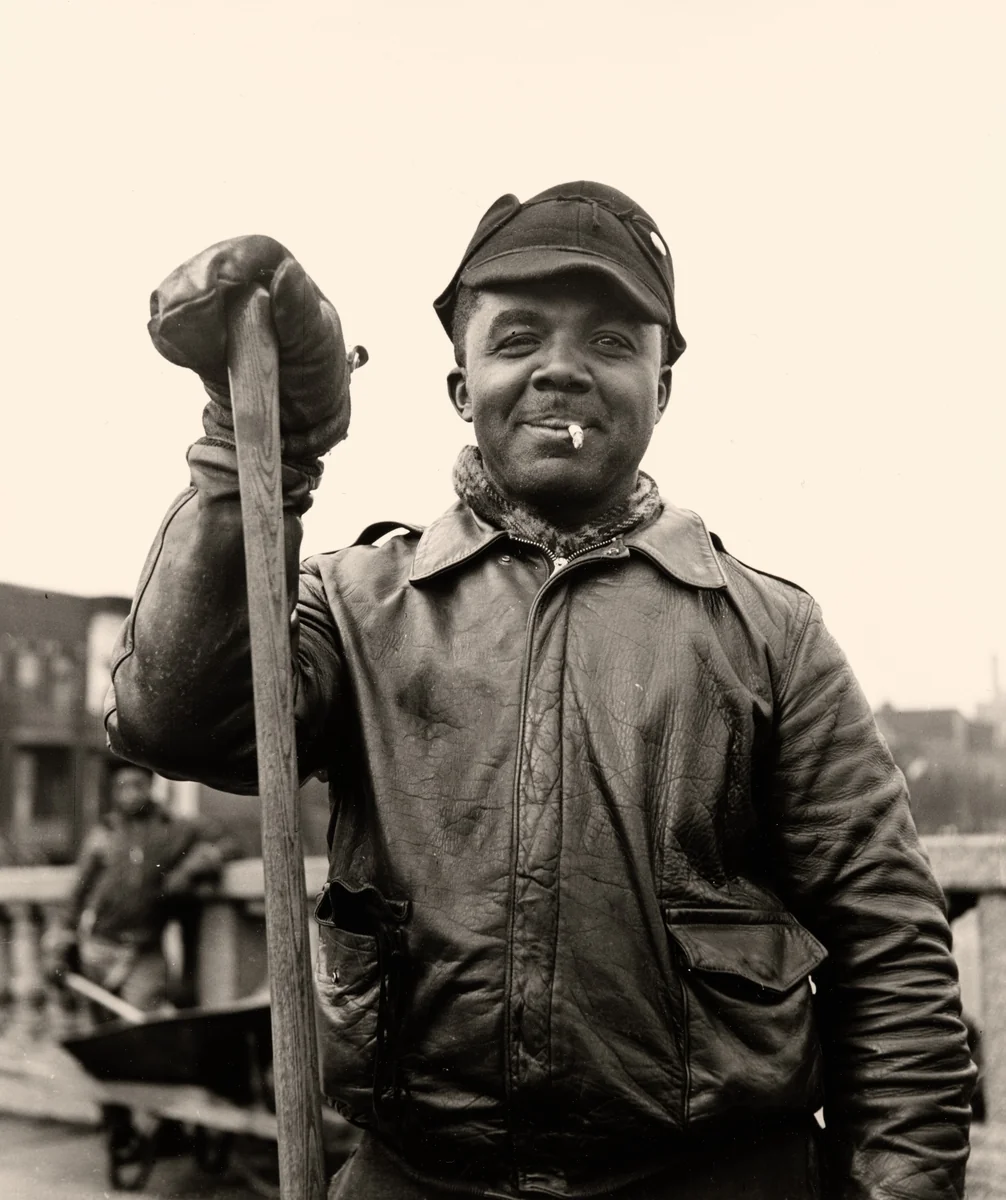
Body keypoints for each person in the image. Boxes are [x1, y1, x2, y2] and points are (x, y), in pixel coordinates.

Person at [105, 183, 975, 1198]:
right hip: (421, 1178)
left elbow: (891, 948)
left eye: (611, 342)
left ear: (661, 387)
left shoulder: (770, 633)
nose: (561, 368)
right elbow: (173, 719)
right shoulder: (352, 605)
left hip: (718, 1177)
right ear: (461, 386)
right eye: (517, 338)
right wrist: (256, 451)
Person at [45, 761, 237, 1012]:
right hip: (99, 948)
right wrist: (57, 946)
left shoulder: (175, 828)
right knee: (101, 1027)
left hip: (144, 951)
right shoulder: (104, 833)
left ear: (151, 786)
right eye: (123, 786)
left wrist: (191, 868)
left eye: (138, 785)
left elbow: (228, 843)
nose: (131, 793)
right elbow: (76, 896)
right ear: (114, 791)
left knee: (141, 1020)